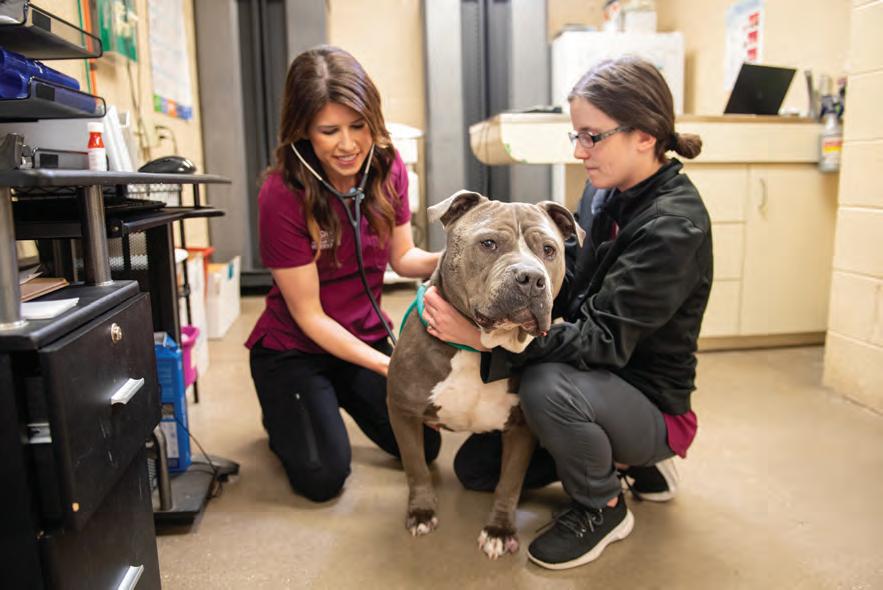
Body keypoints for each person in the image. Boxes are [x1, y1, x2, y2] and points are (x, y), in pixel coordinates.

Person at [421, 56, 712, 570]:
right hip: (599, 383)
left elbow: (601, 340)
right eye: (576, 135)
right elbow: (570, 270)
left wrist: (483, 337)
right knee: (477, 471)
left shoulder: (673, 227)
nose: (580, 151)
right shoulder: (605, 189)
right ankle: (625, 462)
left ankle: (604, 503)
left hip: (650, 402)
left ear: (644, 135)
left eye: (592, 137)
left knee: (543, 386)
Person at [246, 46, 441, 502]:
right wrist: (389, 367)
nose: (348, 144)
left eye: (358, 126)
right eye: (329, 131)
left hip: (363, 337)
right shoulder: (281, 193)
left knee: (425, 447)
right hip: (295, 349)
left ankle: (331, 397)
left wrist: (454, 258)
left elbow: (403, 258)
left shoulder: (388, 167)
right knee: (322, 478)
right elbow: (310, 316)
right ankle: (287, 409)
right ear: (303, 131)